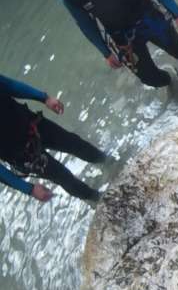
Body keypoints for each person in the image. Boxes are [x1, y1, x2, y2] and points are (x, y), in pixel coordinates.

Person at [0, 72, 106, 202]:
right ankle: (98, 199)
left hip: (31, 124)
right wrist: (29, 189)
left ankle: (108, 162)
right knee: (62, 176)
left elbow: (9, 85)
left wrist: (44, 98)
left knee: (74, 142)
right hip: (21, 154)